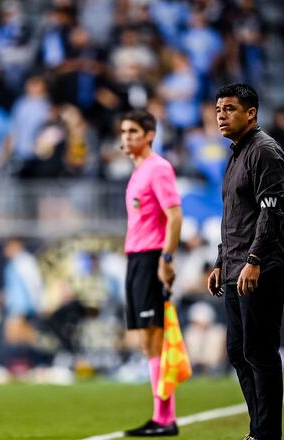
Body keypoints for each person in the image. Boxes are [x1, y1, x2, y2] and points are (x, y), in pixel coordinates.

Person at [207, 84, 284, 440]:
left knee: (259, 352)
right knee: (238, 351)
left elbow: (270, 213)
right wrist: (220, 261)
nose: (221, 116)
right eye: (218, 109)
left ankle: (266, 434)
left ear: (251, 113)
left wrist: (255, 259)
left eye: (230, 109)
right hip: (236, 268)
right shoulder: (236, 154)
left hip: (263, 268)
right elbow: (235, 217)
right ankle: (259, 431)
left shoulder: (264, 152)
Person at [120, 109, 183, 437]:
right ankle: (160, 416)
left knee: (155, 336)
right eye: (124, 131)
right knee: (147, 339)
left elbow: (174, 216)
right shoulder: (138, 171)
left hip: (150, 257)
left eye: (133, 131)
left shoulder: (158, 169)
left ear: (149, 135)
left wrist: (166, 258)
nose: (126, 137)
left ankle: (165, 418)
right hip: (135, 258)